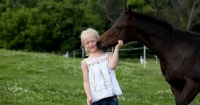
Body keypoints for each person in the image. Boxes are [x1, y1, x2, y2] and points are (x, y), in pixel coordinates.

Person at [80, 28, 123, 105]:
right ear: (84, 45)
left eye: (93, 41)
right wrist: (89, 96)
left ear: (98, 40)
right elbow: (86, 81)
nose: (91, 44)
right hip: (95, 99)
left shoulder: (108, 55)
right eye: (87, 43)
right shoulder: (85, 62)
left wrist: (116, 49)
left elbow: (113, 66)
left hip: (111, 96)